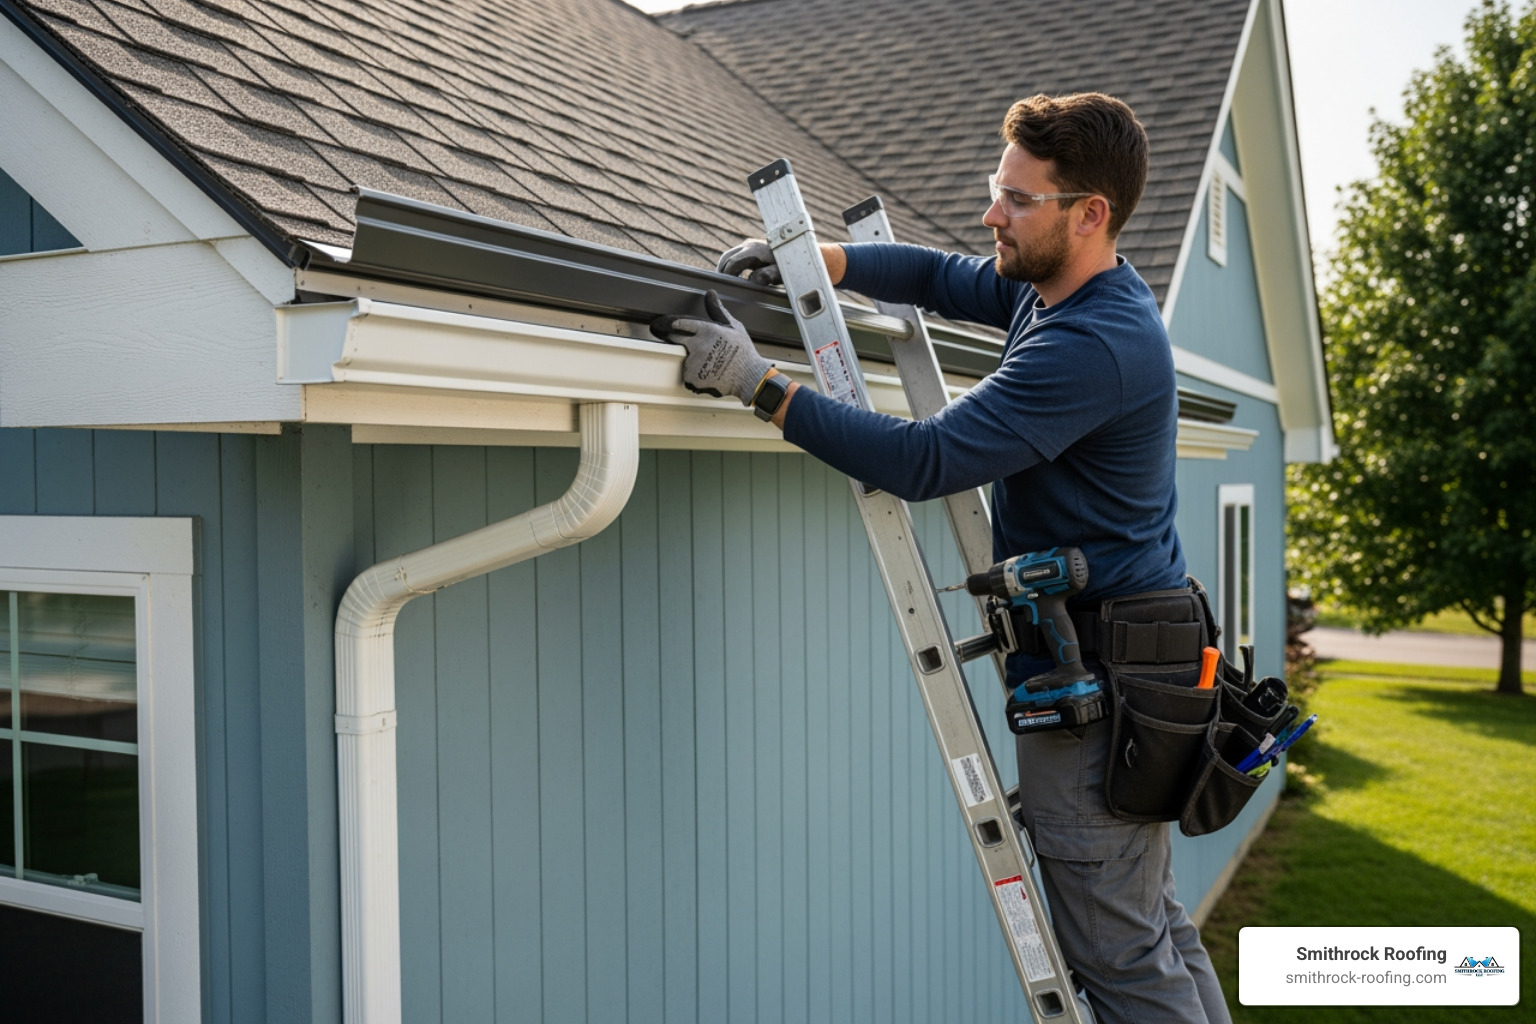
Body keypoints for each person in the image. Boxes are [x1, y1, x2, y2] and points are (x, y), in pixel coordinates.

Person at [651, 92, 1231, 1024]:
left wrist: (756, 384)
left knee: (1122, 960)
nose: (991, 215)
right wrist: (827, 264)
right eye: (993, 189)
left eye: (1016, 199)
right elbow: (947, 275)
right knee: (1154, 930)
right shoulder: (1062, 289)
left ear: (1090, 215)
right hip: (1137, 667)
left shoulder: (1095, 343)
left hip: (1103, 690)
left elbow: (922, 461)